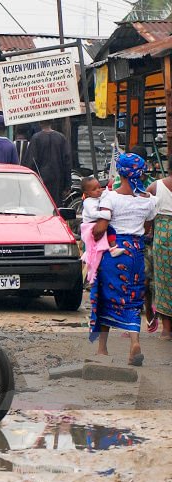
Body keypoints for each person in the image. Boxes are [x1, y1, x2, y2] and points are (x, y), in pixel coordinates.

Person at [89, 153, 158, 366]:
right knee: (133, 299)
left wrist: (91, 232)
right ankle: (134, 344)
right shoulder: (150, 201)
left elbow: (100, 229)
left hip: (113, 253)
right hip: (136, 252)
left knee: (105, 296)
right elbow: (147, 229)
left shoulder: (110, 197)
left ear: (120, 173)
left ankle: (102, 349)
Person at [80, 176, 125, 285]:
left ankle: (111, 248)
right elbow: (93, 214)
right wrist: (105, 214)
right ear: (87, 192)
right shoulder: (88, 202)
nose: (98, 190)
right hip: (90, 225)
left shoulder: (97, 198)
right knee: (106, 233)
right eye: (94, 189)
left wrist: (107, 191)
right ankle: (111, 248)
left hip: (95, 223)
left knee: (108, 233)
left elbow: (106, 194)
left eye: (99, 187)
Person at [147, 165, 172, 340]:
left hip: (163, 239)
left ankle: (166, 329)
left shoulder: (155, 187)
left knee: (164, 282)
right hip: (162, 239)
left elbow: (145, 217)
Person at [24, 119, 72, 205]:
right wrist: (67, 185)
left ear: (40, 123)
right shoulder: (61, 138)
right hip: (58, 180)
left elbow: (30, 162)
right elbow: (67, 163)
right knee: (55, 206)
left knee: (40, 205)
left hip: (40, 181)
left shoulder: (36, 138)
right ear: (52, 122)